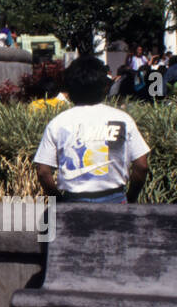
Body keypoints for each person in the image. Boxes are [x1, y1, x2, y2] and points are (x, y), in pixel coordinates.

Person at [34, 56, 150, 203]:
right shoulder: (123, 119)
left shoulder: (58, 123)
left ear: (69, 89)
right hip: (115, 200)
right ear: (105, 87)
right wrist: (131, 198)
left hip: (73, 203)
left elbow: (43, 171)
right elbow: (141, 166)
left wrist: (59, 201)